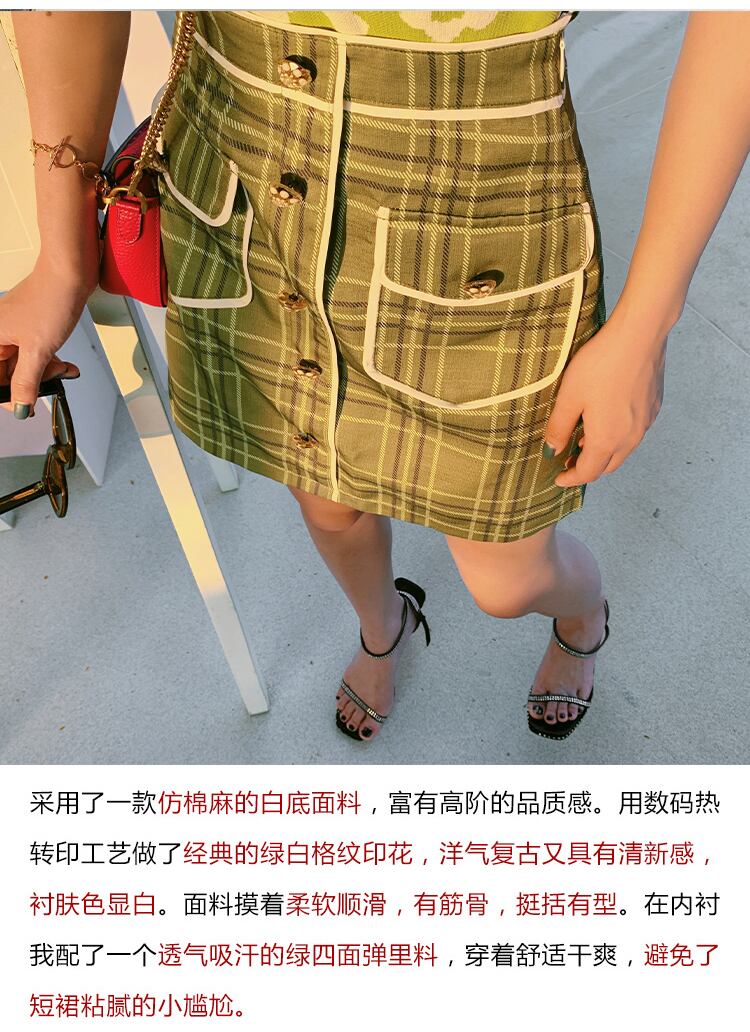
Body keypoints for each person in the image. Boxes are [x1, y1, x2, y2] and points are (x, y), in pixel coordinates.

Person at [2, 10, 749, 744]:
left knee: (506, 580)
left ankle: (582, 612)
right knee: (329, 505)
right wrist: (61, 259)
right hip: (255, 195)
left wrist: (646, 326)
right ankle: (384, 626)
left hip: (484, 226)